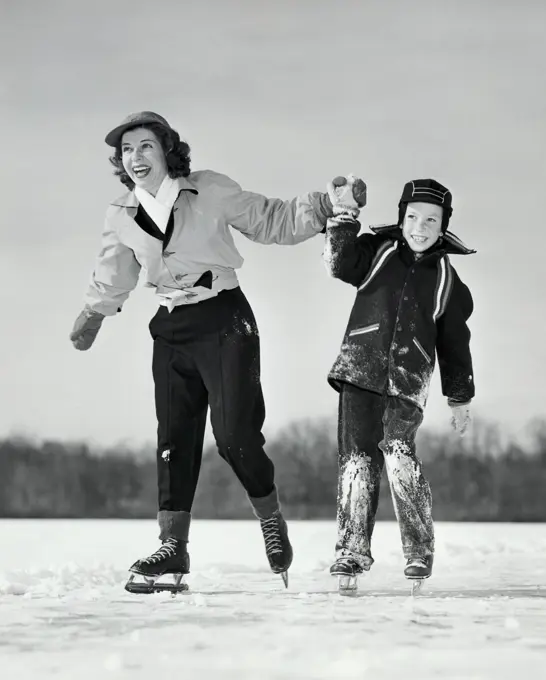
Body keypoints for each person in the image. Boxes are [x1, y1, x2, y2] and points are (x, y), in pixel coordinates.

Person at [69, 111, 365, 592]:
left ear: (166, 149)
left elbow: (271, 218)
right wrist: (95, 311)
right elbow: (115, 271)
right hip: (170, 327)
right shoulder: (121, 214)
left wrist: (326, 205)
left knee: (234, 437)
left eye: (145, 146)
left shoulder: (207, 189)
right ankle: (173, 547)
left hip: (224, 317)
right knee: (174, 440)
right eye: (127, 150)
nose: (136, 157)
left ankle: (270, 519)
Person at [322, 178, 475, 592]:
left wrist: (459, 397)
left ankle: (418, 551)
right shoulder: (378, 253)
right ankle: (351, 549)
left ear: (443, 225)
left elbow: (455, 343)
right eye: (412, 217)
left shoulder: (446, 279)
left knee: (399, 455)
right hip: (359, 369)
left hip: (408, 381)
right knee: (356, 461)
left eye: (430, 219)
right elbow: (339, 263)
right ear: (401, 217)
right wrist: (344, 217)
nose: (419, 227)